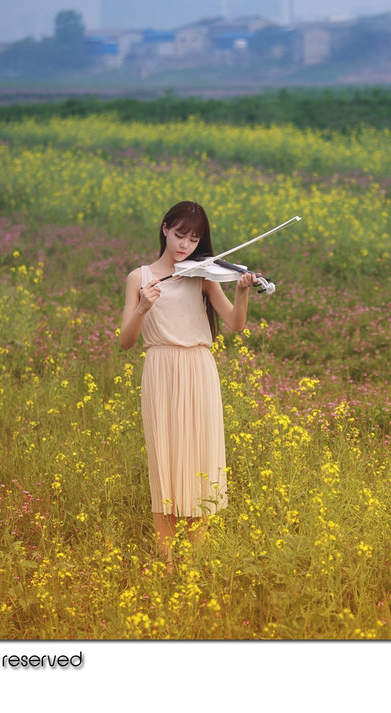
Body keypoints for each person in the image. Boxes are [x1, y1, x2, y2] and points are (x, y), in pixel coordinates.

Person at [119, 201, 259, 570]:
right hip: (161, 367)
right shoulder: (140, 277)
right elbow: (126, 341)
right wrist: (141, 308)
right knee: (164, 459)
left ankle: (197, 561)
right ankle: (166, 561)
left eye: (194, 239)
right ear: (165, 229)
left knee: (201, 457)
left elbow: (235, 323)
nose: (185, 246)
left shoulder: (202, 274)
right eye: (180, 235)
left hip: (199, 367)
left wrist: (243, 290)